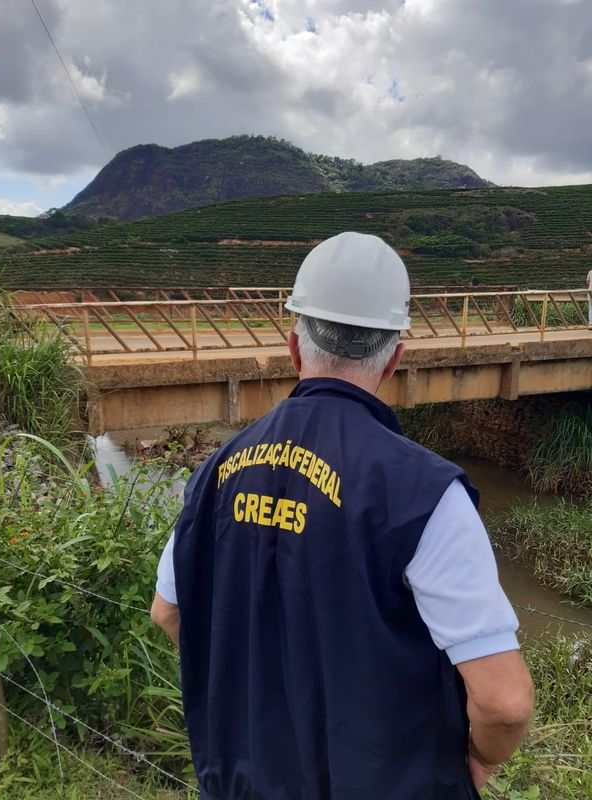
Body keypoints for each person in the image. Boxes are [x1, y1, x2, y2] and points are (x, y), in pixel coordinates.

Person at [151, 232, 534, 800]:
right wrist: (476, 759)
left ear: (293, 346)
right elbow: (503, 703)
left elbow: (167, 613)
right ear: (395, 358)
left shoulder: (216, 471)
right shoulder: (426, 495)